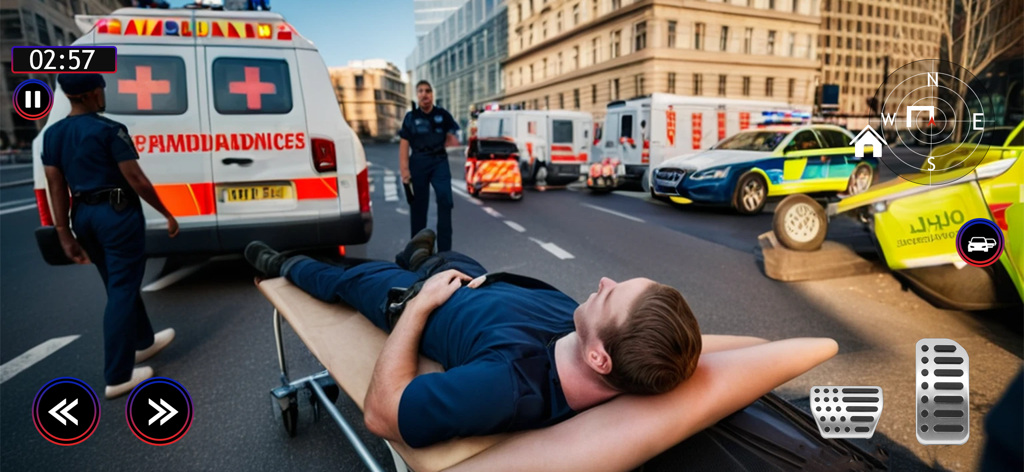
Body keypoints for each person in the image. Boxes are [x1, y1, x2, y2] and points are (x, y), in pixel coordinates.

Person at [245, 232, 703, 448]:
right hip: (473, 280)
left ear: (599, 358)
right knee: (449, 255)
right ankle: (422, 257)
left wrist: (421, 306)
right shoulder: (597, 340)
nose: (604, 281)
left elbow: (382, 415)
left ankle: (282, 263)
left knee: (347, 278)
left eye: (611, 296)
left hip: (413, 302)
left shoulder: (506, 386)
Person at [42, 73, 179, 399]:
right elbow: (136, 178)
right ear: (91, 93)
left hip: (84, 217)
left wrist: (64, 232)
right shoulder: (109, 129)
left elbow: (56, 185)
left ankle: (143, 343)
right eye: (102, 89)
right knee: (121, 287)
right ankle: (118, 375)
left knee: (118, 282)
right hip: (116, 215)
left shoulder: (53, 134)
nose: (105, 94)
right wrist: (167, 213)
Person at [399, 80, 460, 252]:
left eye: (428, 91)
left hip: (439, 160)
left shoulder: (442, 114)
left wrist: (450, 141)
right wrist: (404, 171)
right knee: (419, 207)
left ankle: (445, 252)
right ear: (417, 95)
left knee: (445, 201)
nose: (424, 94)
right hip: (418, 161)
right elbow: (404, 145)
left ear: (432, 94)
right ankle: (418, 252)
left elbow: (453, 135)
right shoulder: (411, 118)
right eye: (420, 91)